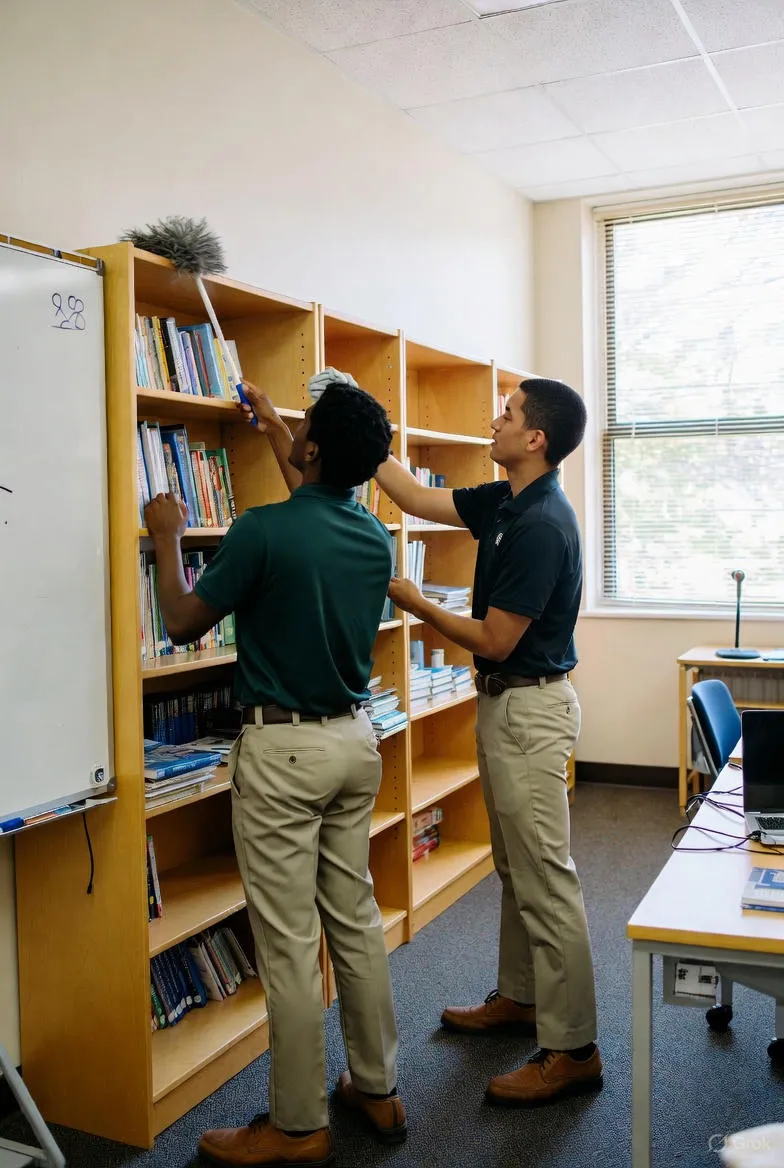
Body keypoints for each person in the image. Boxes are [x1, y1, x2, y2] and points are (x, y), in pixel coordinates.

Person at [144, 376, 406, 1167]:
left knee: (290, 944)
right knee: (354, 921)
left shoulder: (259, 530)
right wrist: (271, 430)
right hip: (356, 744)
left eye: (303, 430)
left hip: (284, 753)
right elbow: (316, 508)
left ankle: (296, 1126)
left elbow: (186, 621)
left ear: (316, 447)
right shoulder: (371, 535)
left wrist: (165, 535)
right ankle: (377, 1087)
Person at [376, 377, 602, 1107]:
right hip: (505, 706)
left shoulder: (541, 522)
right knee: (516, 865)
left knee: (545, 877)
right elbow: (414, 497)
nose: (493, 421)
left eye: (506, 415)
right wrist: (366, 432)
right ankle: (521, 998)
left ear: (535, 439)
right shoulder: (506, 500)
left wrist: (414, 604)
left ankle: (573, 1049)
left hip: (530, 708)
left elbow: (498, 638)